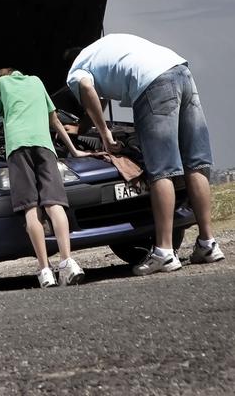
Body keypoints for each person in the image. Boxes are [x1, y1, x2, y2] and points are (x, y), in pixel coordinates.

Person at [65, 33, 224, 276]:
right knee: (195, 163)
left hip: (153, 83)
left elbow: (87, 89)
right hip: (181, 71)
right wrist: (81, 129)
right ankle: (208, 243)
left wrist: (105, 135)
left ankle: (164, 252)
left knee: (162, 169)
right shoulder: (104, 50)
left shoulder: (76, 69)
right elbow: (100, 98)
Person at [0, 68, 91, 287]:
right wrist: (74, 150)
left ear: (0, 77)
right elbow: (55, 120)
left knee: (31, 209)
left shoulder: (1, 84)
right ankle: (67, 262)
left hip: (18, 149)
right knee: (54, 204)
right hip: (45, 146)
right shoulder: (37, 81)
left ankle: (45, 271)